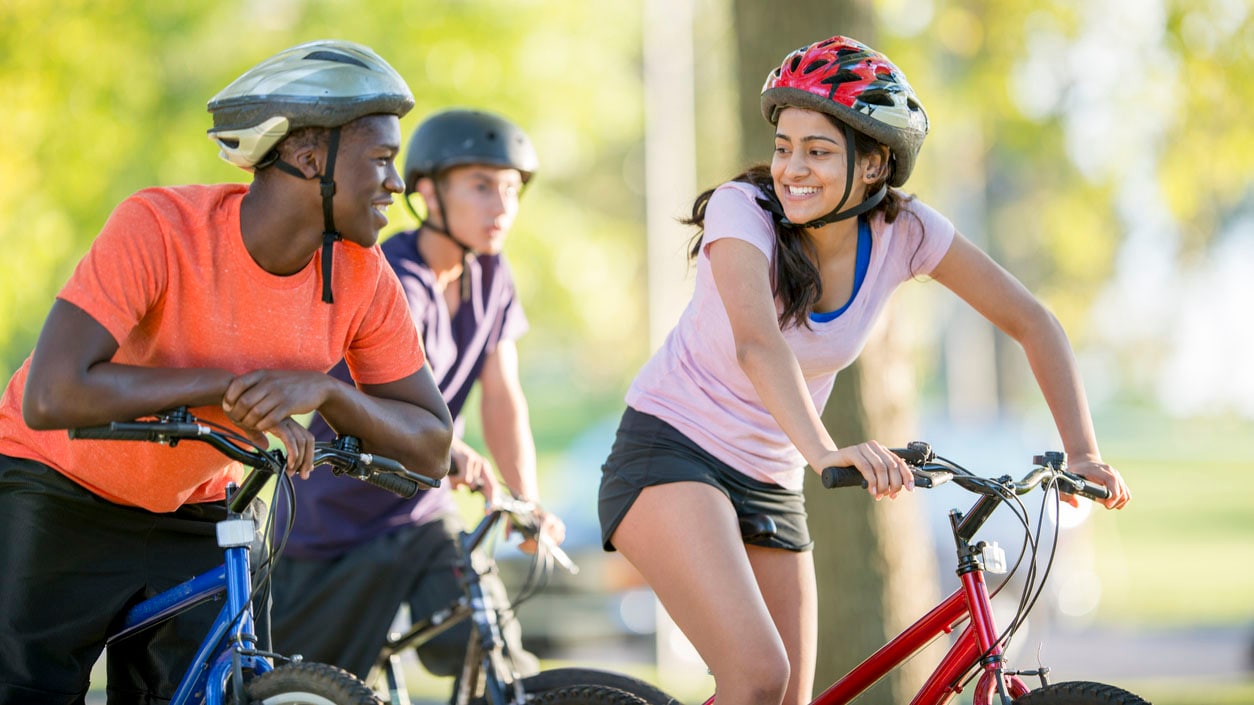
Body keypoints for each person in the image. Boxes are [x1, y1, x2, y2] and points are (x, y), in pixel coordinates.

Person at [597, 35, 1132, 705]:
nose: (792, 168)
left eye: (818, 151)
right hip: (670, 451)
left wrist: (1082, 451)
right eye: (784, 146)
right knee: (759, 675)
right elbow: (758, 344)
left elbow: (1033, 321)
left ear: (875, 165)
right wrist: (825, 450)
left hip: (770, 477)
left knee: (787, 696)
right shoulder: (744, 210)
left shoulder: (905, 232)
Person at [0, 39, 454, 704]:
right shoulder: (160, 227)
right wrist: (233, 389)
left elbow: (431, 444)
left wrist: (327, 392)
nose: (398, 182)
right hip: (57, 489)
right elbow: (53, 393)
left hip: (195, 508)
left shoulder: (362, 276)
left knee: (220, 689)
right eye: (381, 159)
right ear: (308, 156)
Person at [271, 108, 566, 684]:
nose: (501, 207)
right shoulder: (390, 276)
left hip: (421, 511)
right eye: (482, 187)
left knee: (492, 657)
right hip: (332, 524)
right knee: (307, 690)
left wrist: (525, 500)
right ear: (428, 192)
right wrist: (451, 451)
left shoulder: (493, 275)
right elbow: (384, 400)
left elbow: (503, 396)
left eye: (510, 190)